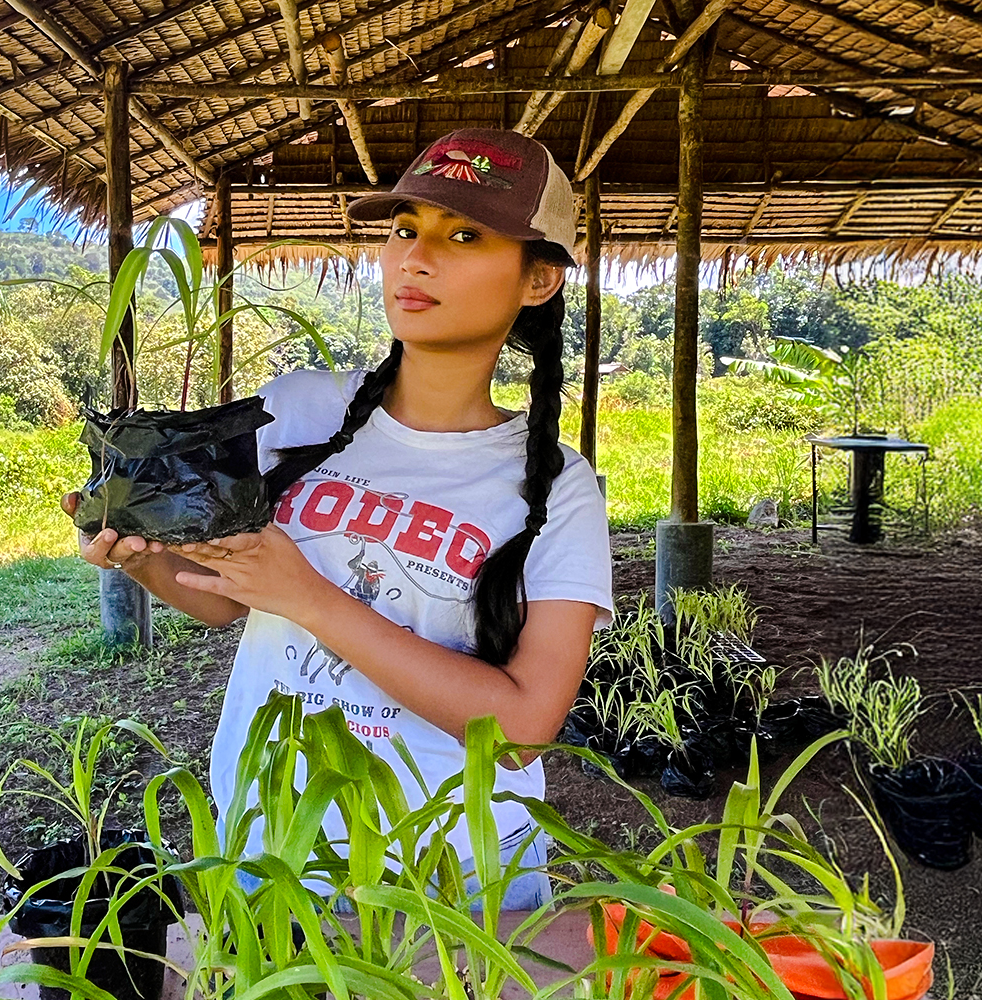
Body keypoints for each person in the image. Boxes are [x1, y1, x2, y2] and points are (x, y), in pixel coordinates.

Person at [63, 128, 613, 910]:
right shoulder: (298, 409)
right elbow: (225, 599)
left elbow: (524, 724)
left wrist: (313, 599)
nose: (416, 258)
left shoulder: (557, 487)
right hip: (268, 847)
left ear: (539, 280)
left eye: (463, 235)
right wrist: (141, 556)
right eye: (404, 229)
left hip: (450, 876)